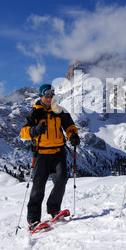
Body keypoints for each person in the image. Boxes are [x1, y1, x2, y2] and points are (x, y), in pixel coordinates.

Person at [20, 84, 80, 230]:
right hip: (41, 154)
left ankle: (54, 209)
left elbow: (69, 126)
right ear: (41, 96)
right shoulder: (35, 112)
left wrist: (73, 136)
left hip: (58, 151)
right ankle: (33, 219)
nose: (49, 98)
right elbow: (23, 132)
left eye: (51, 96)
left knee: (61, 179)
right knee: (38, 187)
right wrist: (34, 130)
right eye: (46, 96)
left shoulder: (60, 111)